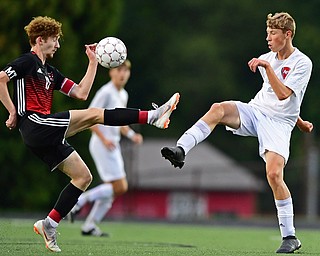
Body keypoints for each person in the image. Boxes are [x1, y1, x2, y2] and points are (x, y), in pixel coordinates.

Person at [0, 16, 179, 253]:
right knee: (95, 114)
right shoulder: (26, 61)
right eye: (54, 40)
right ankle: (153, 116)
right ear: (40, 40)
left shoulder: (50, 72)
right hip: (35, 124)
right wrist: (12, 111)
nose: (58, 45)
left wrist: (93, 62)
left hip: (44, 132)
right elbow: (0, 79)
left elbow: (81, 92)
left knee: (83, 177)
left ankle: (49, 224)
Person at [161, 12, 313, 254]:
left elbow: (285, 96)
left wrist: (297, 121)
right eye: (267, 33)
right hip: (255, 111)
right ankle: (181, 149)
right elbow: (272, 96)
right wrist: (302, 121)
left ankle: (290, 237)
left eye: (273, 33)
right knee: (218, 109)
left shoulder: (302, 62)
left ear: (288, 35)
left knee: (274, 175)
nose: (268, 38)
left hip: (280, 124)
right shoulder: (268, 58)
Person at [67, 59, 143, 236]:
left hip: (112, 145)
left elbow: (121, 123)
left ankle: (89, 226)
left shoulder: (122, 94)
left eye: (126, 70)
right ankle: (80, 201)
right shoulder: (105, 92)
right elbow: (89, 117)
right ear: (111, 72)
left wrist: (132, 135)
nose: (122, 73)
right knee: (121, 187)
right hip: (102, 144)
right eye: (119, 70)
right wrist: (104, 139)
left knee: (113, 190)